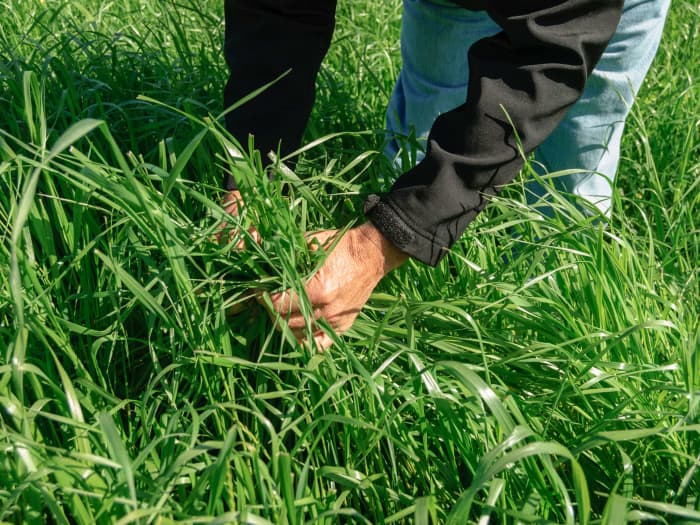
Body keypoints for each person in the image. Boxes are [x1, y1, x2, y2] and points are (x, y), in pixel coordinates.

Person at [221, 0, 670, 350]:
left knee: (564, 199)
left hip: (581, 13)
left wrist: (378, 245)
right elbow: (277, 15)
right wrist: (252, 179)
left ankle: (542, 362)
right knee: (418, 151)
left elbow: (553, 52)